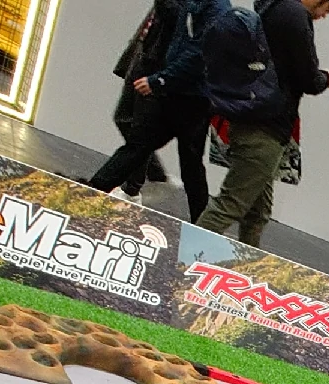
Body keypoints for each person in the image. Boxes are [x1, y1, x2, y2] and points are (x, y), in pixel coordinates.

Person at [195, 0, 329, 244]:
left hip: (249, 118)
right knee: (230, 206)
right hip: (266, 128)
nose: (327, 13)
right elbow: (308, 78)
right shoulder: (295, 15)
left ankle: (243, 262)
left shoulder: (272, 7)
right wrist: (327, 79)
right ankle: (180, 261)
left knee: (257, 213)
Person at [87, 0, 227, 221]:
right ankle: (93, 191)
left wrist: (160, 79)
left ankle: (203, 225)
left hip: (192, 99)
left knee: (185, 164)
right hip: (173, 91)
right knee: (142, 147)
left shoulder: (216, 9)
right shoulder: (198, 5)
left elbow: (198, 54)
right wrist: (161, 79)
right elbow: (179, 45)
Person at [106, 1, 175, 195]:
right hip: (143, 57)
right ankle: (153, 173)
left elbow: (170, 14)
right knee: (125, 119)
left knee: (135, 123)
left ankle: (133, 187)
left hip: (155, 65)